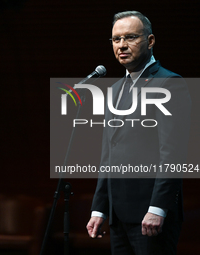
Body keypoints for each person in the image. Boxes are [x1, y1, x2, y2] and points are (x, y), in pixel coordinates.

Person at [86, 11, 191, 254]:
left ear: (150, 41)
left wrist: (157, 208)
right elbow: (108, 155)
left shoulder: (168, 84)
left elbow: (173, 154)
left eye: (130, 37)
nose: (121, 45)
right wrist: (99, 208)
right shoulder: (114, 89)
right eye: (116, 39)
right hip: (118, 216)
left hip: (151, 216)